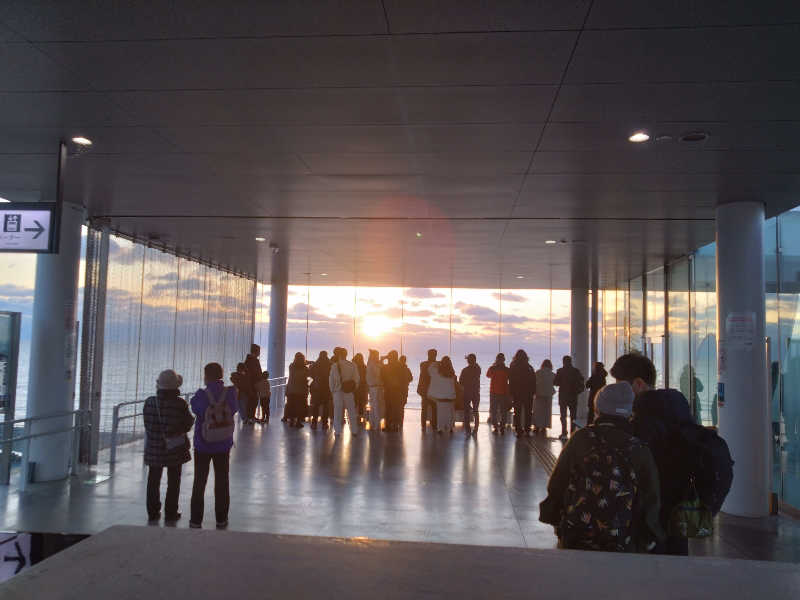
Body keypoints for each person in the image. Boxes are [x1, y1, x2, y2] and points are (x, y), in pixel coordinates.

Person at [539, 382, 664, 552]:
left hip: (577, 536)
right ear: (629, 413)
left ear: (598, 409)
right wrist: (648, 536)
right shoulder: (638, 448)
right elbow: (651, 497)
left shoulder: (581, 438)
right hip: (623, 540)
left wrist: (555, 519)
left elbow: (558, 482)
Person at [610, 353, 696, 557]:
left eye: (621, 385)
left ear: (638, 384)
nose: (619, 391)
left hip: (653, 509)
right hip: (679, 505)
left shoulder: (644, 418)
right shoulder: (676, 406)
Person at [189, 362, 238, 529]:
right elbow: (234, 409)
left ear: (207, 375)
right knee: (222, 481)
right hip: (223, 444)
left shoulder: (201, 395)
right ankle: (221, 519)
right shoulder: (230, 393)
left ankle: (196, 521)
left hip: (203, 444)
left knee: (199, 481)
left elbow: (196, 408)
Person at [143, 369, 194, 523]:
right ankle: (171, 512)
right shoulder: (180, 404)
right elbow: (188, 424)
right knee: (174, 481)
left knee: (153, 480)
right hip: (174, 449)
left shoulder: (150, 402)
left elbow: (147, 425)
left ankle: (152, 512)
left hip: (154, 449)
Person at [329, 347, 360, 437]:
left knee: (337, 411)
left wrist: (332, 391)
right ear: (346, 354)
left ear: (339, 355)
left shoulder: (335, 366)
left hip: (338, 392)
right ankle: (354, 430)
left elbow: (331, 380)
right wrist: (353, 388)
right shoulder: (352, 365)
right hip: (349, 392)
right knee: (351, 411)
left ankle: (338, 431)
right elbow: (357, 379)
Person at [554, 355, 585, 440]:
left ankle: (564, 432)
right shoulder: (576, 371)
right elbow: (582, 382)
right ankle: (573, 432)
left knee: (563, 415)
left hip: (563, 396)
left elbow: (555, 382)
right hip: (573, 396)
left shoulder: (560, 371)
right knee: (573, 416)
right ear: (571, 361)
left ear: (563, 361)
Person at [509, 350, 537, 437]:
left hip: (517, 393)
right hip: (528, 393)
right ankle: (527, 428)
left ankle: (518, 429)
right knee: (528, 412)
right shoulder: (529, 367)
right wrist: (533, 392)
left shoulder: (513, 367)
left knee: (517, 412)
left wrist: (511, 393)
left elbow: (511, 381)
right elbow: (534, 381)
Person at [428, 356, 457, 433]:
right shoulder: (451, 373)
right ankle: (450, 427)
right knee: (449, 413)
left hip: (441, 397)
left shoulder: (437, 373)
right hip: (450, 396)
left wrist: (437, 363)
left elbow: (430, 369)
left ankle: (440, 428)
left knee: (441, 414)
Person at [487, 353, 510, 434]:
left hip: (493, 392)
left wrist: (494, 365)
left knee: (494, 411)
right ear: (504, 360)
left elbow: (488, 375)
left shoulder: (492, 368)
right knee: (503, 411)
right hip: (504, 392)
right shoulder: (507, 369)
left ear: (496, 359)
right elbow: (510, 378)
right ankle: (502, 427)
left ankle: (495, 427)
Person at [381, 351, 405, 432]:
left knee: (388, 408)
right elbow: (408, 377)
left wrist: (382, 359)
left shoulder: (386, 367)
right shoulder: (401, 366)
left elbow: (381, 376)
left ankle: (388, 425)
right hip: (397, 390)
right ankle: (395, 426)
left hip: (388, 390)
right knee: (395, 408)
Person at [309, 351, 332, 430]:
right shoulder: (330, 364)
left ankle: (314, 422)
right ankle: (324, 423)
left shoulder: (315, 364)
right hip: (326, 388)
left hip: (316, 388)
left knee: (316, 406)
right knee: (326, 406)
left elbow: (310, 374)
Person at [459, 354, 481, 436]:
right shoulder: (478, 369)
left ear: (468, 361)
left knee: (466, 412)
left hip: (467, 392)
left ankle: (468, 429)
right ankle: (476, 429)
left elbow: (460, 382)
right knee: (476, 410)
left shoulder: (465, 370)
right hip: (476, 392)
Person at [245, 344, 268, 423]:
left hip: (252, 384)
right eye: (259, 351)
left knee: (253, 401)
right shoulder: (253, 361)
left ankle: (250, 417)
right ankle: (250, 417)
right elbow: (256, 373)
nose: (259, 353)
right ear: (256, 351)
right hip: (253, 384)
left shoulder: (249, 360)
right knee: (252, 401)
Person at [286, 352, 310, 428]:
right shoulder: (305, 369)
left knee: (291, 406)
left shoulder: (291, 366)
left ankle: (291, 421)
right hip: (301, 391)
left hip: (291, 390)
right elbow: (309, 378)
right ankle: (298, 422)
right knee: (300, 407)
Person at [418, 349, 438, 432]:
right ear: (435, 355)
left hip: (425, 389)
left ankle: (423, 425)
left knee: (424, 408)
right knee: (434, 408)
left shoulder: (423, 364)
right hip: (433, 389)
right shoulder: (437, 365)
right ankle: (434, 425)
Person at [534, 359, 555, 434]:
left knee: (538, 411)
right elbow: (555, 383)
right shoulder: (552, 374)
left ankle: (537, 426)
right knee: (547, 412)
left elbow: (534, 382)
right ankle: (544, 426)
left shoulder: (538, 372)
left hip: (539, 394)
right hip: (548, 394)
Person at [366, 349, 384, 431]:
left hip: (372, 387)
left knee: (373, 406)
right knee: (376, 406)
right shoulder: (373, 364)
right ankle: (376, 424)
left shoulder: (370, 363)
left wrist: (380, 361)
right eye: (377, 355)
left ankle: (372, 423)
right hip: (375, 387)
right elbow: (378, 373)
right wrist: (381, 362)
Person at [353, 352, 368, 425]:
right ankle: (362, 417)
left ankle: (355, 417)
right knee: (362, 403)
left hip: (355, 387)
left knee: (355, 403)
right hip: (363, 387)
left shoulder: (353, 366)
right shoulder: (364, 367)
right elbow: (366, 378)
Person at [399, 355, 414, 429]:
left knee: (397, 406)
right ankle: (400, 421)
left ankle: (397, 421)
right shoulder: (407, 369)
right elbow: (411, 378)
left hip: (397, 390)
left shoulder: (396, 369)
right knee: (401, 406)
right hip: (404, 389)